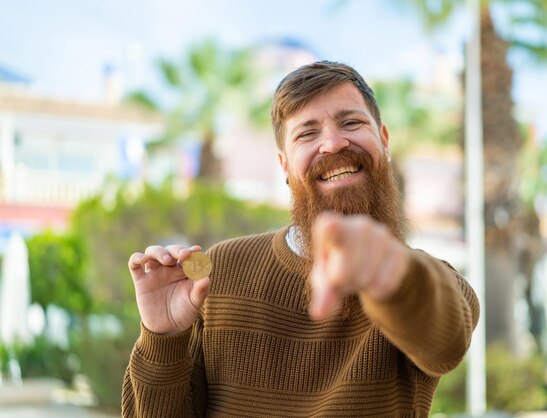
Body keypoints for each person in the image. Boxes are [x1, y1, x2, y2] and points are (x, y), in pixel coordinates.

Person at [122, 60, 480, 417]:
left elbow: (446, 342)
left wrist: (391, 273)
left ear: (384, 142)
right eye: (307, 133)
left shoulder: (424, 284)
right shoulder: (219, 272)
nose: (333, 143)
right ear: (285, 167)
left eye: (351, 122)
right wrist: (162, 339)